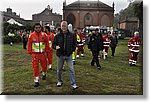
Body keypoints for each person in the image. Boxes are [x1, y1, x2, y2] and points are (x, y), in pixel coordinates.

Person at [52, 21, 78, 90]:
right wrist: (55, 47)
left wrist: (71, 50)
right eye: (62, 26)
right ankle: (59, 81)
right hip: (60, 55)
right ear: (61, 27)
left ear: (67, 27)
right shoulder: (57, 35)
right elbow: (53, 44)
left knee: (71, 69)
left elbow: (74, 44)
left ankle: (73, 84)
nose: (64, 27)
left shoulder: (72, 35)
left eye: (65, 26)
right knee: (59, 70)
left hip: (68, 55)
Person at [27, 23, 50, 87]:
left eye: (39, 27)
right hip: (35, 55)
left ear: (41, 28)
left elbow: (47, 43)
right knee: (35, 67)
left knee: (44, 65)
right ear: (34, 28)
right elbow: (29, 44)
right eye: (36, 28)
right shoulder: (31, 35)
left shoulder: (44, 35)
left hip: (43, 54)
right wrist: (30, 52)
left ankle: (44, 73)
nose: (37, 29)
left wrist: (47, 51)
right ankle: (36, 80)